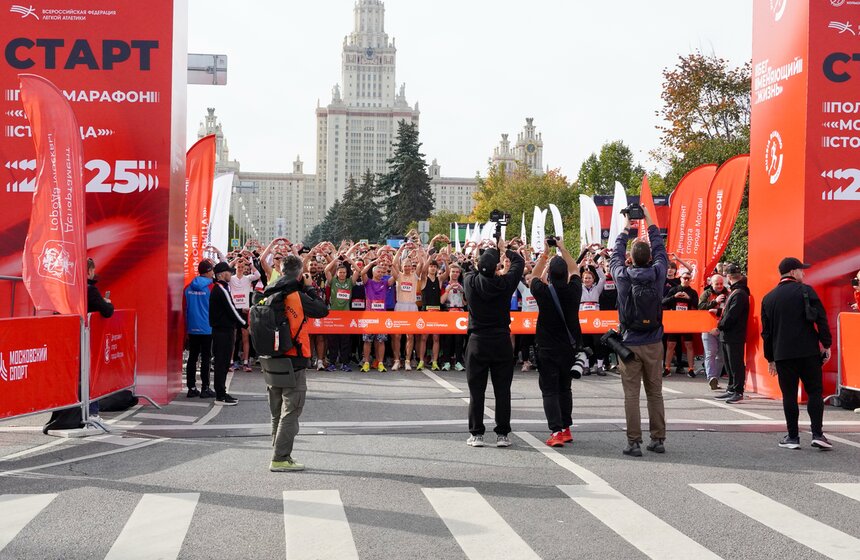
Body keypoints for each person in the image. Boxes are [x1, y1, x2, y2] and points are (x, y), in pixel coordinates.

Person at [609, 205, 668, 457]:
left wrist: (626, 226)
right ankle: (658, 439)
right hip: (654, 341)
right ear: (650, 258)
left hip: (629, 342)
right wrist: (648, 219)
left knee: (631, 394)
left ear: (631, 258)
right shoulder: (658, 273)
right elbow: (660, 248)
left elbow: (615, 254)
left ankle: (634, 442)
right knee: (655, 392)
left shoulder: (623, 276)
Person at [260, 256, 329, 472]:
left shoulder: (270, 290)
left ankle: (277, 452)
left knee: (277, 411)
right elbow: (322, 310)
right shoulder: (296, 295)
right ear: (299, 274)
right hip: (293, 357)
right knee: (291, 410)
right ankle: (280, 458)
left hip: (270, 356)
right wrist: (309, 288)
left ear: (281, 271)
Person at [761, 257, 833, 450]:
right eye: (802, 270)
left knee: (789, 395)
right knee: (815, 392)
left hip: (783, 354)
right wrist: (826, 344)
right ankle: (818, 434)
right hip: (808, 351)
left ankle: (793, 437)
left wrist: (770, 358)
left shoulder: (769, 298)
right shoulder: (806, 291)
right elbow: (821, 319)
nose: (805, 273)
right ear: (793, 272)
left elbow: (766, 333)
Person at [463, 237, 525, 448]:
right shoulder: (505, 284)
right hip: (500, 340)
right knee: (502, 390)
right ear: (497, 267)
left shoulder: (470, 282)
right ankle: (502, 434)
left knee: (476, 390)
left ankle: (477, 434)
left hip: (477, 340)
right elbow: (519, 264)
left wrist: (482, 258)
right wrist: (505, 249)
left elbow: (467, 266)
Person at [530, 238, 581, 447]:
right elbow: (576, 268)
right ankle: (566, 428)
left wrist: (545, 254)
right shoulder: (575, 289)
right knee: (565, 388)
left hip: (547, 347)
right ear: (566, 275)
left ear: (549, 275)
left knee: (549, 389)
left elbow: (533, 276)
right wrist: (562, 247)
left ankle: (556, 431)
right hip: (569, 347)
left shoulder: (543, 292)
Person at [209, 261, 246, 406]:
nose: (231, 273)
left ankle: (222, 393)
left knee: (223, 363)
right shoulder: (221, 288)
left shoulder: (222, 287)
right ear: (221, 274)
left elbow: (231, 309)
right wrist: (244, 324)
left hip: (223, 330)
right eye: (228, 272)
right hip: (223, 331)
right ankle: (220, 395)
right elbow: (231, 309)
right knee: (221, 363)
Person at [713, 264, 750, 404]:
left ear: (728, 277)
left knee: (735, 363)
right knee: (729, 363)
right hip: (728, 333)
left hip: (734, 334)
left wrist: (720, 326)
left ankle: (737, 390)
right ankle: (731, 388)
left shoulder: (739, 293)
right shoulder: (736, 292)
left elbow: (732, 315)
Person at [86, 258, 115, 421]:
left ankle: (82, 411)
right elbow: (106, 311)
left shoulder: (72, 288)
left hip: (74, 338)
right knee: (91, 375)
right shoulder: (90, 290)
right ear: (89, 271)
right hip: (89, 339)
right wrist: (107, 303)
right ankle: (92, 412)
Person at [185, 260, 216, 398]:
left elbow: (184, 308)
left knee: (192, 358)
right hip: (207, 328)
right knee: (206, 358)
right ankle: (205, 388)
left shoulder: (188, 287)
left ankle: (191, 388)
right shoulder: (212, 287)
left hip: (192, 327)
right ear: (209, 271)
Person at [662, 271, 698, 378]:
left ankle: (691, 369)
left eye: (688, 278)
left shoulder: (693, 292)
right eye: (684, 278)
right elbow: (663, 302)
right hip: (675, 321)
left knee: (689, 345)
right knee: (671, 345)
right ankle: (667, 368)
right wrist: (674, 297)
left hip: (687, 322)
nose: (686, 280)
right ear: (680, 278)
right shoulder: (673, 290)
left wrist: (689, 299)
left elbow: (698, 306)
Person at [228, 252, 261, 372]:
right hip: (234, 310)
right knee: (233, 337)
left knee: (245, 337)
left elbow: (257, 274)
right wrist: (235, 259)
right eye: (238, 267)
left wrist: (249, 263)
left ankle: (246, 362)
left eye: (243, 267)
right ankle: (231, 362)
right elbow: (226, 269)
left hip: (245, 311)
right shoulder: (231, 279)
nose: (241, 269)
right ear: (235, 268)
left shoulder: (248, 279)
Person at [698, 274, 729, 390]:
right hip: (708, 328)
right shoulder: (706, 293)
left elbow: (729, 309)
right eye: (717, 284)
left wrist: (718, 310)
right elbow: (700, 307)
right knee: (710, 353)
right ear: (711, 283)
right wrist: (714, 301)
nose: (720, 286)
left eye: (721, 283)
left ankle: (716, 378)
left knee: (720, 356)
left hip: (721, 328)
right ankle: (711, 377)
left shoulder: (728, 293)